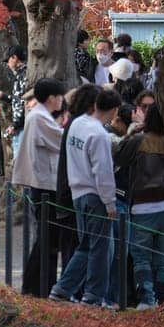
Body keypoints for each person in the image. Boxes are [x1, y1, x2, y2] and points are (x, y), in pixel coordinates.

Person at [52, 88, 122, 306]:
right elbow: (103, 172)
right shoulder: (99, 134)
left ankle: (62, 288)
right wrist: (110, 202)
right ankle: (93, 296)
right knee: (100, 248)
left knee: (86, 245)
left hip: (77, 192)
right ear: (113, 110)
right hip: (95, 195)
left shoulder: (77, 124)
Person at [115, 102, 164, 308]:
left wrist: (131, 133)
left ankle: (146, 298)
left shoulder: (140, 141)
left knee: (141, 256)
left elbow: (119, 153)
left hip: (142, 206)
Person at [15, 78, 68, 296]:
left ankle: (39, 285)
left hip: (45, 182)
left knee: (47, 238)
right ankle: (37, 286)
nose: (62, 100)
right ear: (51, 98)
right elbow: (62, 141)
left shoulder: (40, 116)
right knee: (47, 238)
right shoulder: (39, 118)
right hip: (45, 184)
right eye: (60, 96)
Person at [3, 46, 29, 163]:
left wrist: (15, 125)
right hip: (21, 125)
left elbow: (23, 102)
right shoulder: (21, 74)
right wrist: (4, 97)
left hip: (22, 126)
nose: (8, 64)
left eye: (8, 60)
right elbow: (18, 100)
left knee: (20, 164)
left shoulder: (23, 75)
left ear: (14, 58)